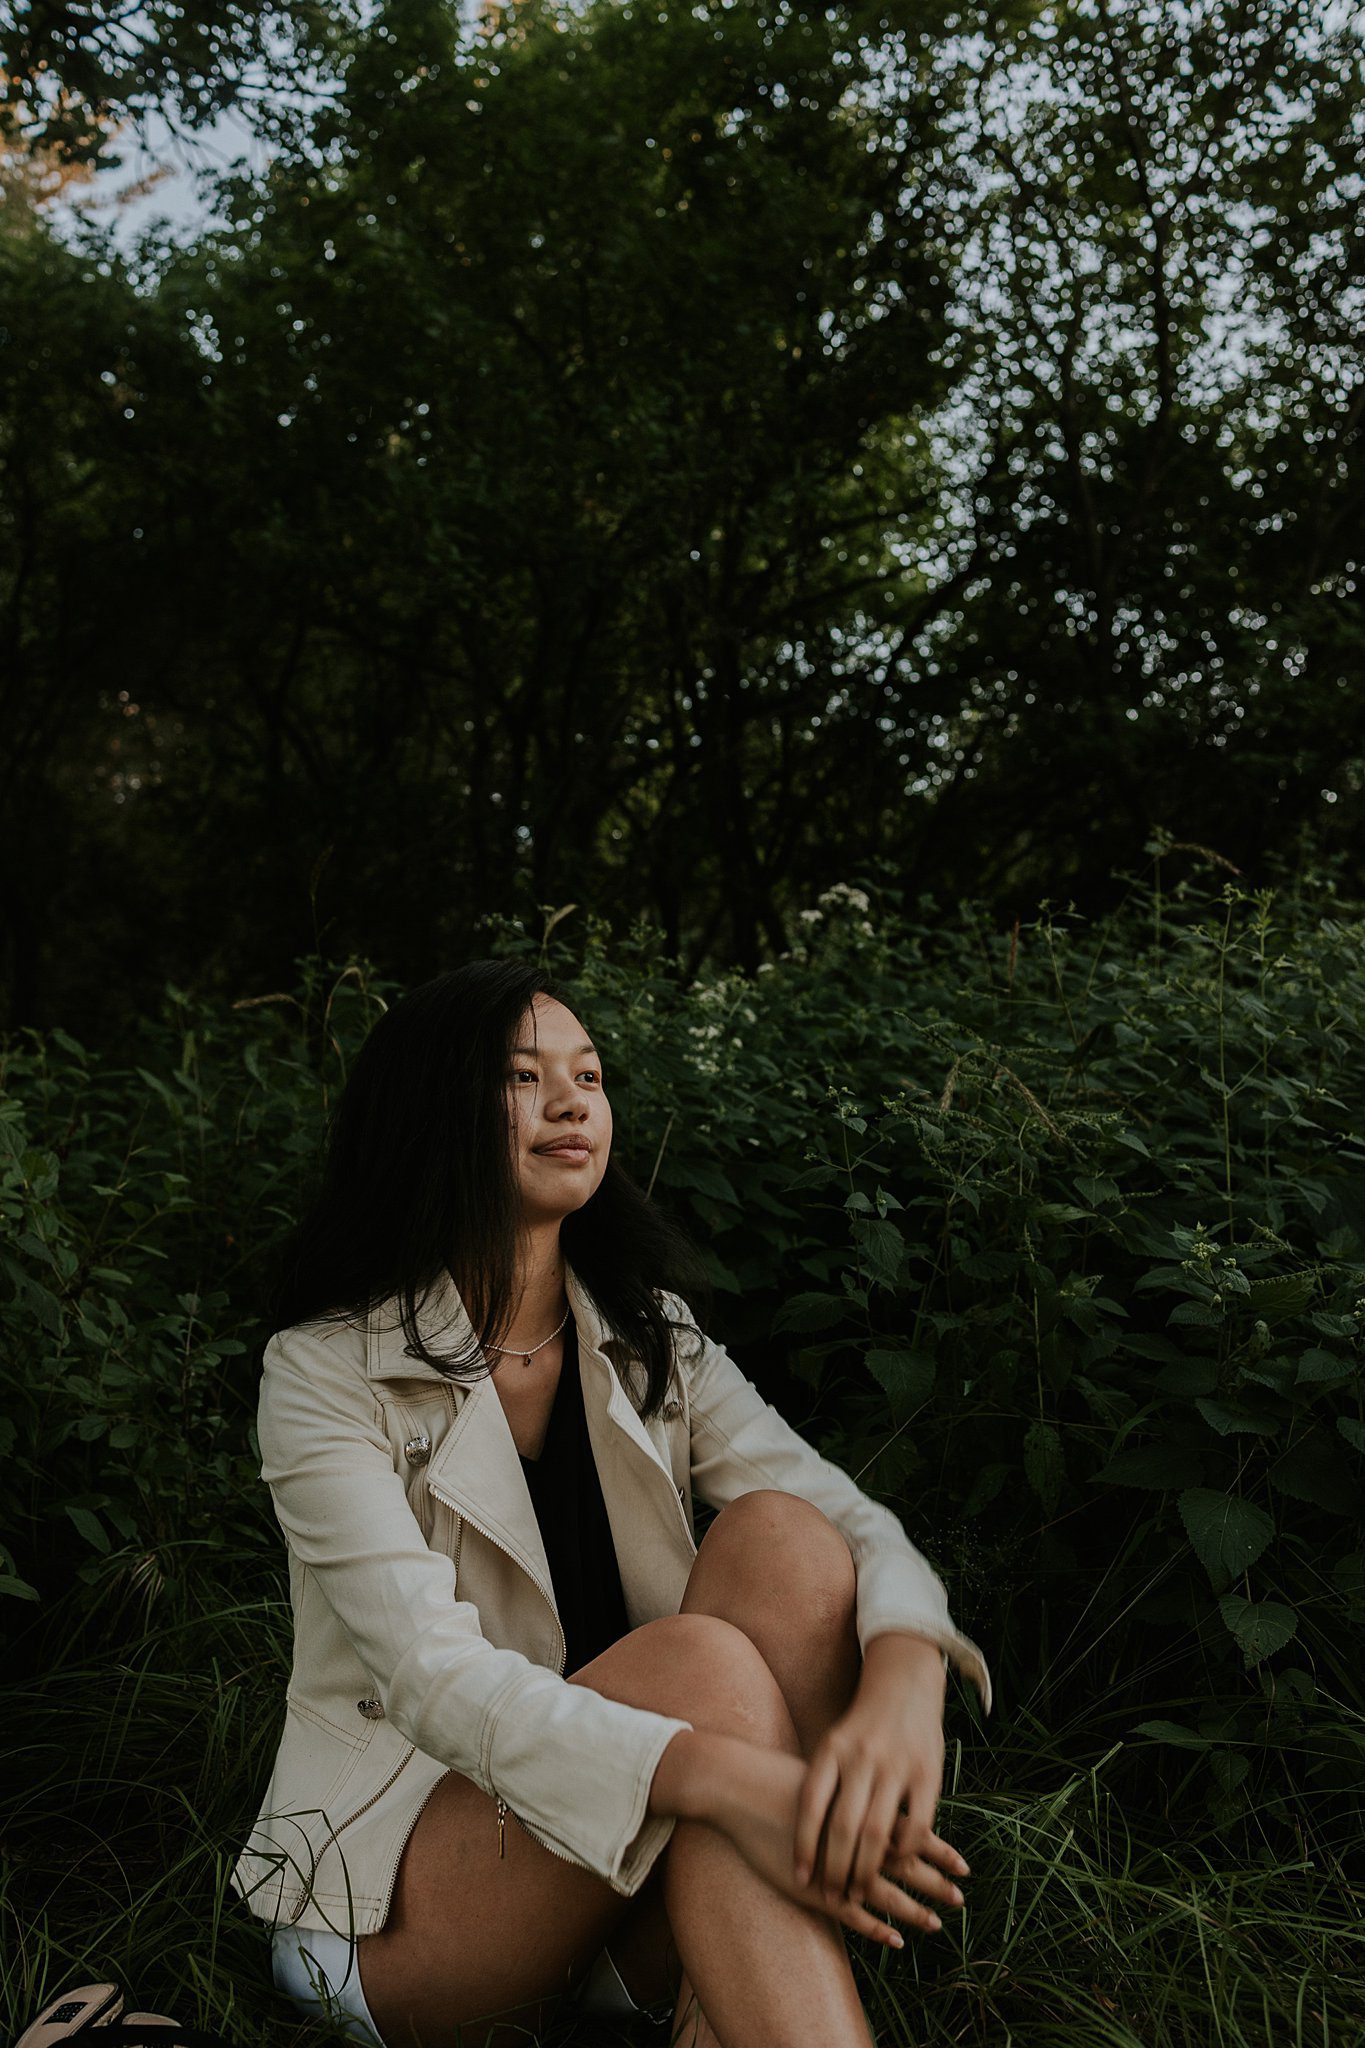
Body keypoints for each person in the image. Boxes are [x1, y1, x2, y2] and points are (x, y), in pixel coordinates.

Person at [231, 959, 993, 2048]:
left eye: (587, 1072)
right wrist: (735, 1780)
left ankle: (715, 2012)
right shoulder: (324, 1369)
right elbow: (428, 1675)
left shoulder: (651, 1334)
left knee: (787, 1535)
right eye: (522, 1074)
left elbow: (853, 1519)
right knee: (703, 1668)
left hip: (633, 1870)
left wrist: (910, 1669)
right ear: (428, 1109)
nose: (571, 1097)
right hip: (405, 1902)